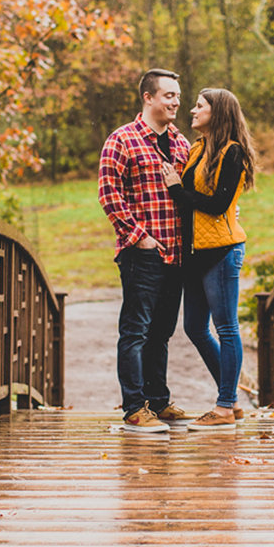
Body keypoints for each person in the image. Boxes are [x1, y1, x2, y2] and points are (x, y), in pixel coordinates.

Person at [98, 69, 193, 433]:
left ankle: (159, 400)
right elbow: (110, 195)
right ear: (148, 98)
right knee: (136, 330)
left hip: (177, 253)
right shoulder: (122, 140)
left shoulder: (181, 143)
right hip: (143, 252)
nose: (175, 102)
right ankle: (135, 408)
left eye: (178, 95)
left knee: (162, 332)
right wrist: (139, 237)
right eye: (168, 95)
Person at [161, 88, 257, 431]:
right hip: (195, 253)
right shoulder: (198, 148)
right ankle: (230, 396)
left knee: (226, 327)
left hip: (222, 250)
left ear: (218, 112)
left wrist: (176, 190)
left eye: (200, 105)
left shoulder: (233, 153)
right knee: (194, 328)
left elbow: (217, 204)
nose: (192, 109)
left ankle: (225, 406)